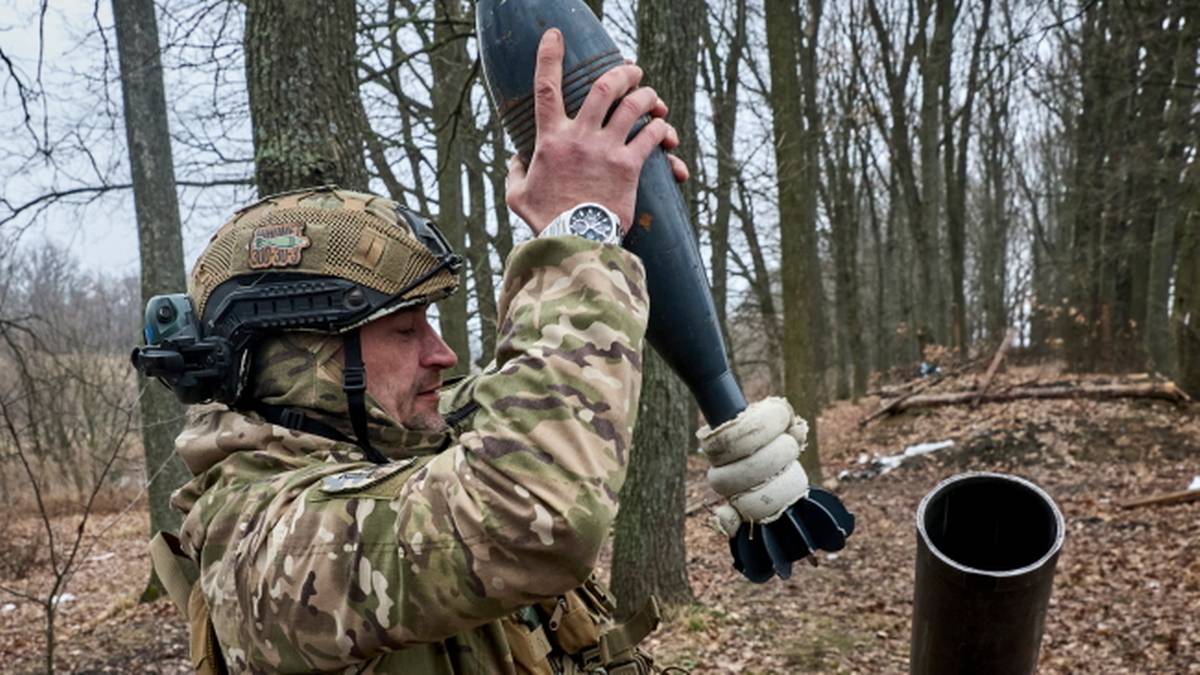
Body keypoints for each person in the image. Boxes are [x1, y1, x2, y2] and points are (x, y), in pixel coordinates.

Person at [149, 29, 812, 674]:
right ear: (300, 363)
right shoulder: (263, 546)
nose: (441, 354)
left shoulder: (397, 442)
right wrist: (577, 235)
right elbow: (537, 515)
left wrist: (608, 216)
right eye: (405, 331)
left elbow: (540, 405)